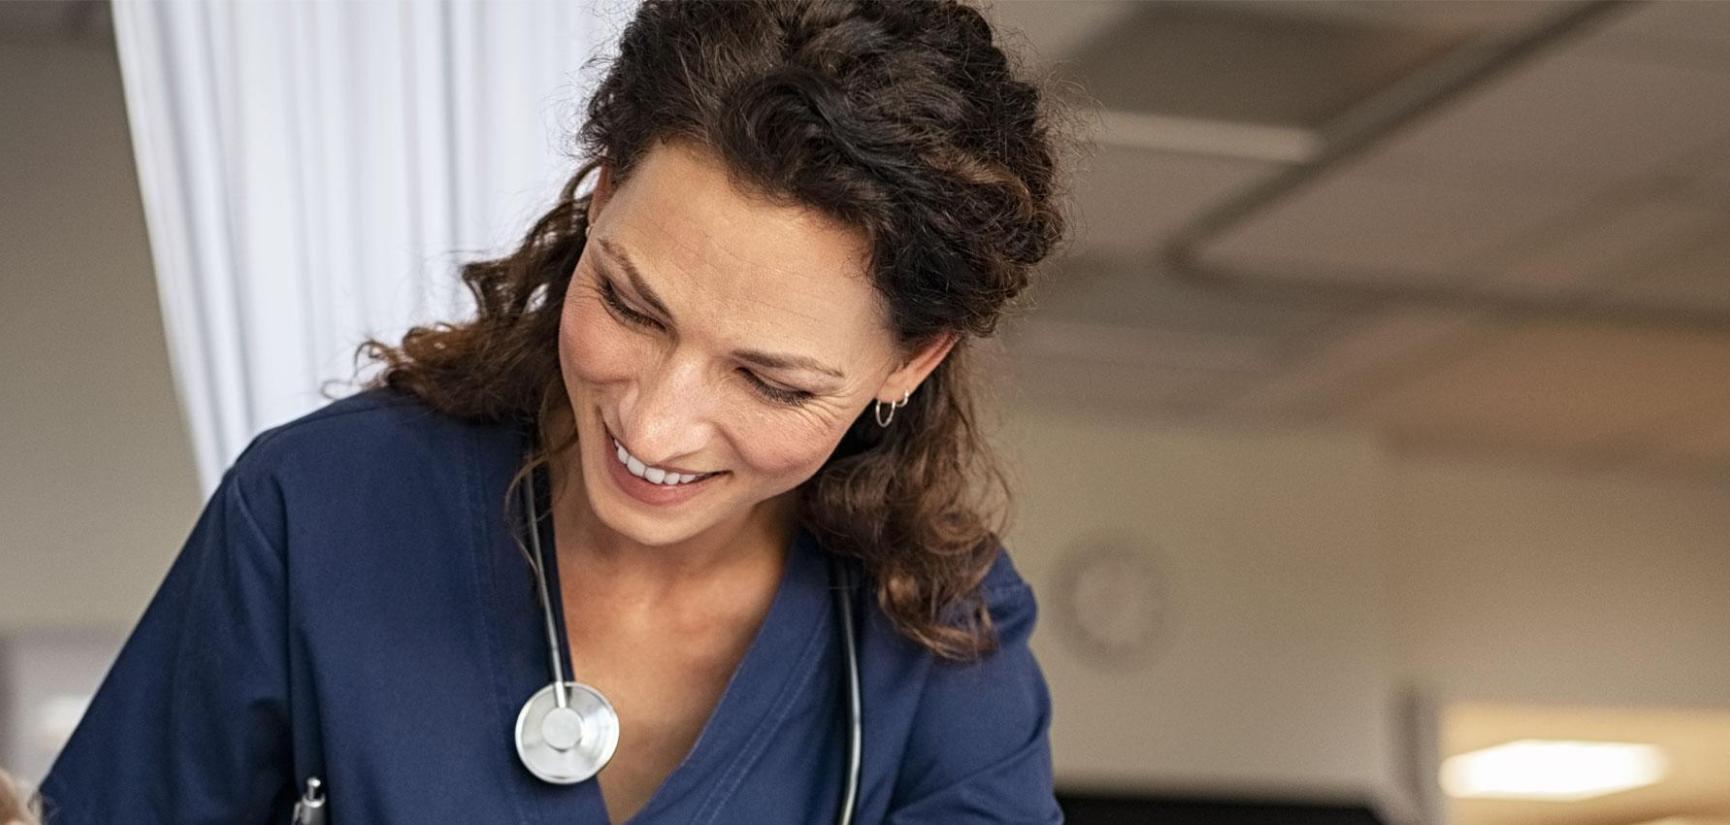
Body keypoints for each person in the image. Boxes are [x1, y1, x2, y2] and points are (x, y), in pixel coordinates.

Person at [38, 0, 1069, 822]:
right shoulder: (316, 512)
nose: (655, 426)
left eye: (769, 382)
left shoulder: (936, 626)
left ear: (911, 360)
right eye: (629, 304)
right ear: (602, 193)